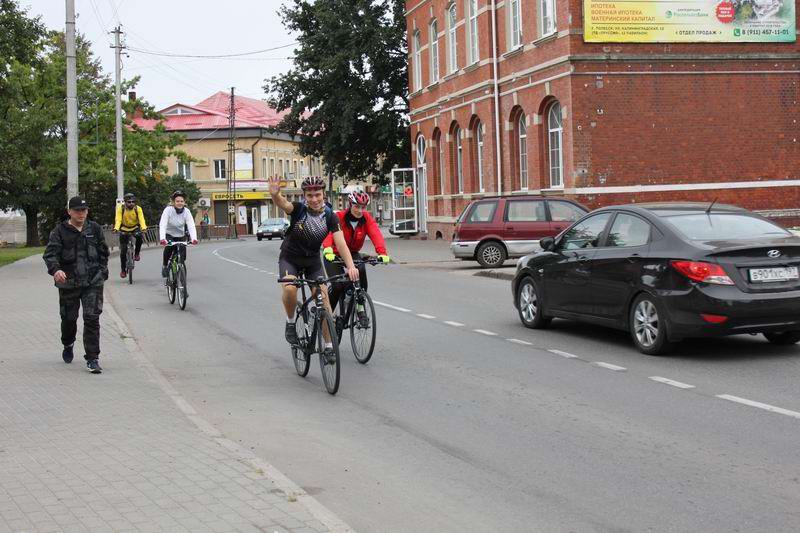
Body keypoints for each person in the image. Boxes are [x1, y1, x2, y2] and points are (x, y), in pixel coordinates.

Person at [269, 175, 359, 358]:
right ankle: (291, 322)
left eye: (317, 194)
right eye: (310, 195)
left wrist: (351, 267)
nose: (314, 199)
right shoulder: (299, 210)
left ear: (323, 194)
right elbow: (284, 204)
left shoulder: (330, 216)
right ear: (304, 196)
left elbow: (340, 244)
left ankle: (327, 346)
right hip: (290, 259)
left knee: (324, 303)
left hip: (312, 262)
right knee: (290, 289)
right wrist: (275, 195)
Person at [42, 196, 109, 374]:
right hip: (69, 283)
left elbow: (104, 252)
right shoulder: (59, 231)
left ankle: (92, 358)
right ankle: (68, 343)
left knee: (92, 319)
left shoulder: (94, 229)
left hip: (92, 282)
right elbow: (50, 254)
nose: (81, 213)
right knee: (69, 319)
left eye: (84, 210)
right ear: (69, 211)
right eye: (78, 210)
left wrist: (102, 272)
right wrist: (56, 270)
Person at [322, 191, 390, 319]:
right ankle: (327, 314)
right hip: (334, 254)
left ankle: (360, 305)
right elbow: (330, 233)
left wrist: (382, 253)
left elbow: (376, 234)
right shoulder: (339, 217)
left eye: (363, 207)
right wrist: (328, 249)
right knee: (337, 286)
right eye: (357, 206)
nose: (360, 210)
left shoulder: (366, 219)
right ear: (350, 205)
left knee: (361, 269)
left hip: (352, 253)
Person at [159, 190, 197, 278]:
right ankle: (165, 265)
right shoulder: (168, 210)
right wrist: (162, 238)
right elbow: (163, 224)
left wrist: (194, 238)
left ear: (184, 202)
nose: (180, 203)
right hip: (169, 234)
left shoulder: (187, 211)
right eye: (177, 201)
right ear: (173, 202)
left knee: (182, 257)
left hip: (180, 235)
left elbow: (191, 225)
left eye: (181, 201)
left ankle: (182, 285)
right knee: (169, 248)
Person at [114, 192, 147, 278]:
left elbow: (141, 219)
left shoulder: (138, 208)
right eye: (129, 202)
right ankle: (123, 270)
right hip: (124, 229)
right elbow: (118, 219)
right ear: (125, 202)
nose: (131, 203)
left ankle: (136, 254)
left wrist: (143, 228)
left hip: (134, 227)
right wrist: (116, 228)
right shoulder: (120, 208)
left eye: (133, 201)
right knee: (123, 251)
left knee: (139, 237)